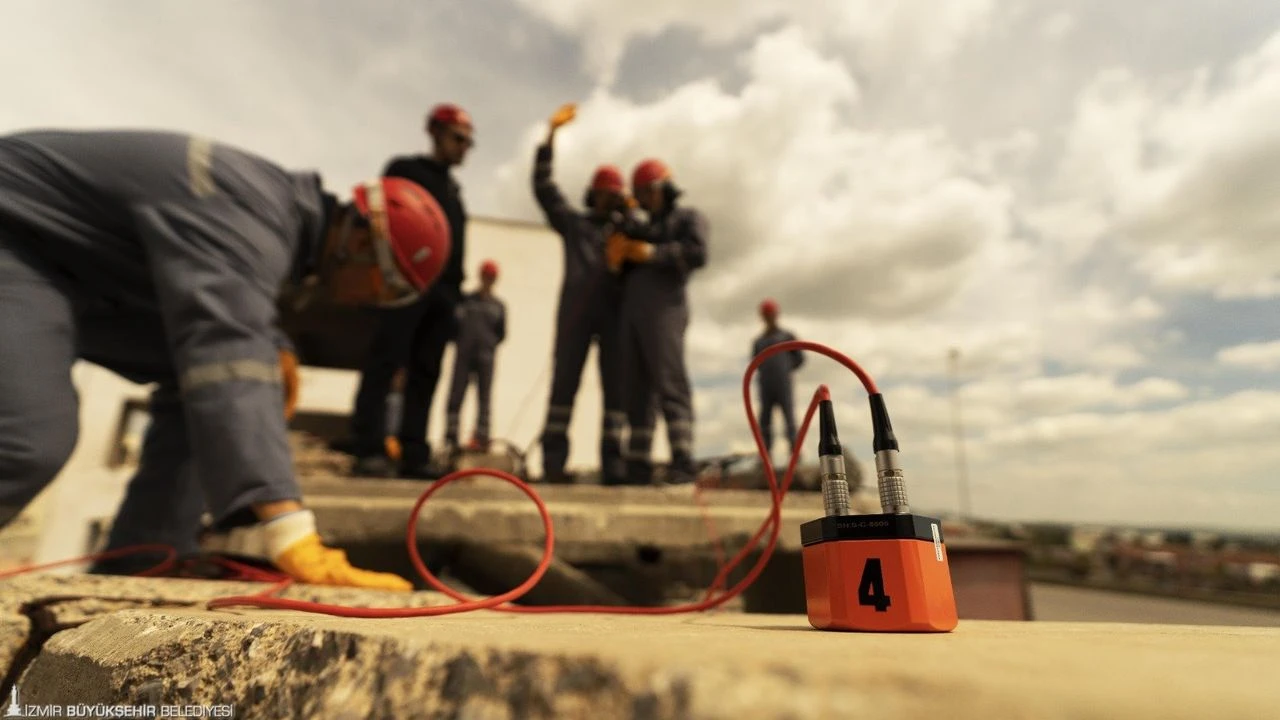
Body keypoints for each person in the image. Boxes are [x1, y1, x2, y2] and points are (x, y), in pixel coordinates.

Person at [0, 128, 453, 590]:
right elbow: (227, 348)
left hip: (58, 266)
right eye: (384, 289)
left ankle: (145, 557)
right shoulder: (254, 210)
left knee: (211, 376)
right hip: (13, 234)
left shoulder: (269, 215)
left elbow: (217, 303)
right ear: (361, 244)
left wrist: (273, 344)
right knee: (25, 441)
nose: (369, 305)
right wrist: (289, 529)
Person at [347, 103, 473, 479]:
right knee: (385, 361)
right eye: (458, 138)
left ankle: (414, 451)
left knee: (427, 371)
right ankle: (368, 447)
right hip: (405, 283)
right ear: (435, 132)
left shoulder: (454, 191)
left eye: (469, 142)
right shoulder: (406, 172)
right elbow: (382, 220)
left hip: (444, 292)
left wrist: (456, 297)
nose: (464, 147)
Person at [531, 103, 632, 485]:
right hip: (575, 314)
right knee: (563, 388)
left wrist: (632, 218)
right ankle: (553, 464)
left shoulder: (627, 232)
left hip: (614, 320)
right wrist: (549, 139)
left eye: (615, 195)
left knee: (616, 394)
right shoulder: (575, 225)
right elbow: (544, 190)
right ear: (592, 195)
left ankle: (614, 465)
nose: (609, 200)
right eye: (604, 194)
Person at [609, 159, 709, 485]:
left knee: (670, 381)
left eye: (646, 192)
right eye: (638, 195)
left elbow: (697, 253)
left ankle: (682, 459)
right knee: (636, 389)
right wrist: (618, 257)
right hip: (632, 315)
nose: (644, 200)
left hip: (665, 311)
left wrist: (652, 254)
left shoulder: (687, 219)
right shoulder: (640, 228)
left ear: (665, 188)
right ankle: (637, 464)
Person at [444, 260, 506, 454]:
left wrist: (488, 346)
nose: (488, 280)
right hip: (464, 355)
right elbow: (453, 328)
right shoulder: (466, 301)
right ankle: (451, 437)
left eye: (491, 277)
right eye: (485, 276)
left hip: (486, 358)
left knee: (484, 398)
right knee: (456, 395)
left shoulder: (498, 306)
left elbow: (501, 333)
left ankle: (481, 438)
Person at [752, 298, 804, 465]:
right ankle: (765, 459)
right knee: (765, 422)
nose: (769, 317)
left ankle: (795, 455)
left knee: (789, 419)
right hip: (765, 386)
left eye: (771, 314)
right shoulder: (758, 342)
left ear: (776, 315)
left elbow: (799, 358)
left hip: (783, 385)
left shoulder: (787, 336)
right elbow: (755, 363)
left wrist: (786, 369)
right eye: (766, 315)